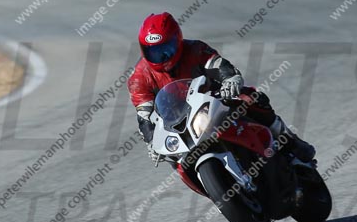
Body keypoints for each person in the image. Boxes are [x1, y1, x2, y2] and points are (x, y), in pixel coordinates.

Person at [127, 12, 316, 166]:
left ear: (178, 40)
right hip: (177, 121)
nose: (161, 57)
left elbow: (219, 66)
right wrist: (151, 142)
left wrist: (230, 80)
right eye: (154, 52)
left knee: (251, 98)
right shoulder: (139, 78)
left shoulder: (195, 49)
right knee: (169, 154)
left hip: (214, 101)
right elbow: (144, 116)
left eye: (166, 49)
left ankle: (289, 141)